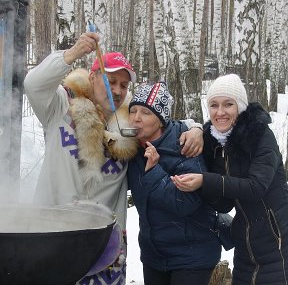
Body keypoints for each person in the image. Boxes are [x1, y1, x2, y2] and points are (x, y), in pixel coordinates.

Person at [24, 32, 204, 285]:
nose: (117, 90)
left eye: (124, 85)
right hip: (53, 232)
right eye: (111, 81)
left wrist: (195, 128)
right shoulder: (61, 107)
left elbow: (165, 125)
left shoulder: (130, 126)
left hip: (105, 243)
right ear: (93, 76)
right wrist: (71, 54)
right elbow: (33, 84)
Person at [171, 74, 288, 285]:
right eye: (214, 105)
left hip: (278, 239)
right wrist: (197, 186)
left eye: (228, 104)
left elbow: (256, 187)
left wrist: (205, 181)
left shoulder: (260, 135)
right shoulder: (215, 142)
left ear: (240, 107)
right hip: (245, 243)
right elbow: (224, 204)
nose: (220, 112)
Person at [127, 81, 222, 285]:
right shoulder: (133, 148)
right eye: (133, 110)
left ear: (161, 120)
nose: (136, 118)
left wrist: (153, 170)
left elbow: (185, 202)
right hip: (154, 255)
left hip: (192, 255)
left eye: (145, 112)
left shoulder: (185, 145)